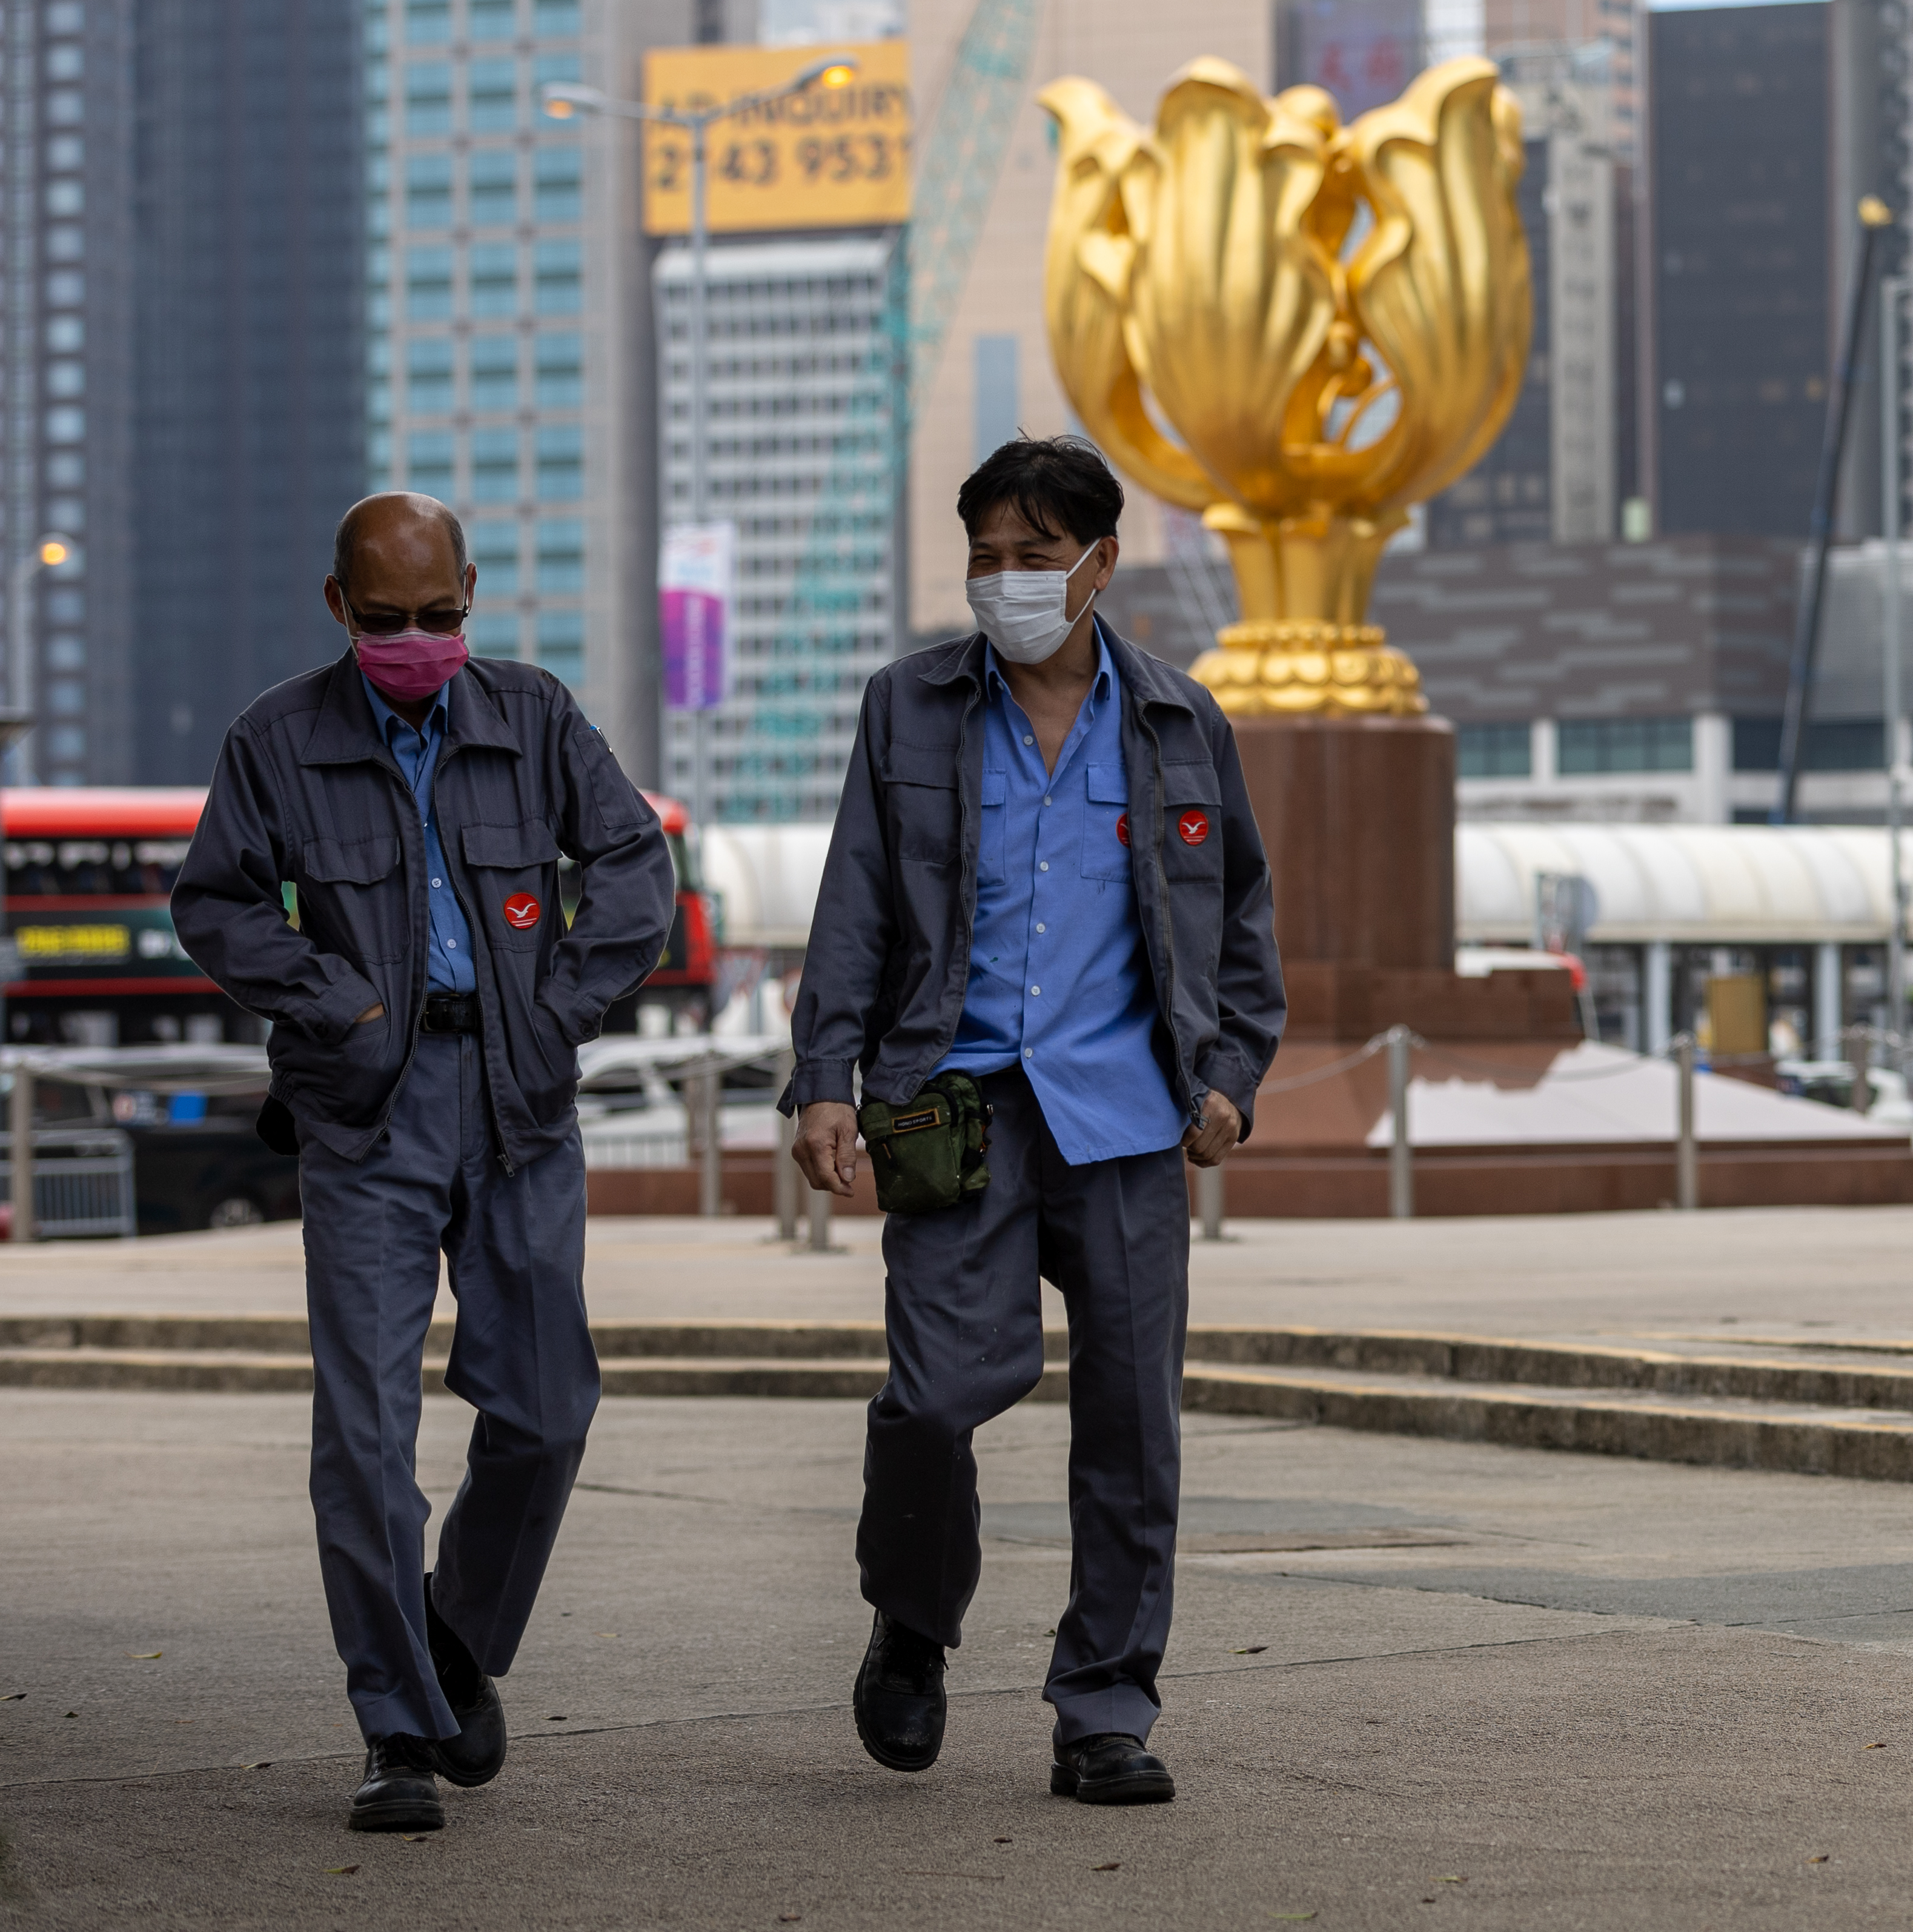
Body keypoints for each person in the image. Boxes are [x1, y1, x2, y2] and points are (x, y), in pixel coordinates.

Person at [787, 436, 1281, 1808]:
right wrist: (825, 1075)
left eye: (1032, 554)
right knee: (938, 1395)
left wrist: (1230, 1069)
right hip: (953, 1110)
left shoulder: (1182, 722)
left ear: (1098, 563)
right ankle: (913, 1615)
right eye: (984, 558)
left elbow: (1239, 920)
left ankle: (1103, 1707)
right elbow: (856, 906)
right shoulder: (909, 709)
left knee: (1131, 1424)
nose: (1004, 580)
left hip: (1126, 1118)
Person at [172, 493, 676, 1833]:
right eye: (387, 621)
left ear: (473, 595)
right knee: (365, 1437)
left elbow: (632, 863)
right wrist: (336, 1002)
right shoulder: (277, 739)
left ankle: (454, 1636)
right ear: (339, 608)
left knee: (548, 1407)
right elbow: (211, 898)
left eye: (439, 617)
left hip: (520, 1100)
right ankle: (398, 1726)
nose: (416, 641)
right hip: (365, 1111)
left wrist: (560, 1005)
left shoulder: (538, 715)